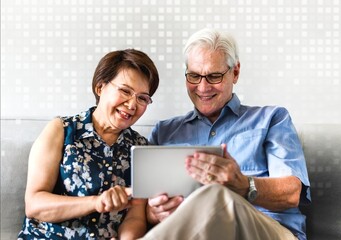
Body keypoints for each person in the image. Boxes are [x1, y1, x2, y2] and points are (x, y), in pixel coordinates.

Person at [143, 28, 311, 240]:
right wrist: (153, 213)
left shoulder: (272, 119)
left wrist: (244, 185)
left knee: (216, 194)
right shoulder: (164, 132)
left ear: (235, 72)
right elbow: (143, 207)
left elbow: (291, 193)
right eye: (194, 76)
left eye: (214, 76)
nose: (202, 87)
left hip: (269, 232)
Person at [17, 49, 160, 239]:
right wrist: (96, 202)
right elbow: (34, 205)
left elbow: (135, 217)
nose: (132, 105)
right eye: (125, 91)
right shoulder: (61, 130)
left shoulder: (142, 148)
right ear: (100, 87)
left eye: (142, 98)